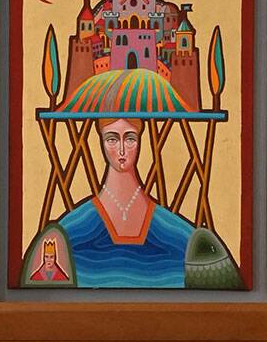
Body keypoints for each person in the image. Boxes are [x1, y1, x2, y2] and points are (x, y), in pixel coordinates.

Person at [53, 117, 194, 287]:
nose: (121, 150)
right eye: (112, 139)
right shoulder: (70, 232)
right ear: (101, 141)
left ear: (140, 140)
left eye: (130, 139)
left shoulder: (180, 236)